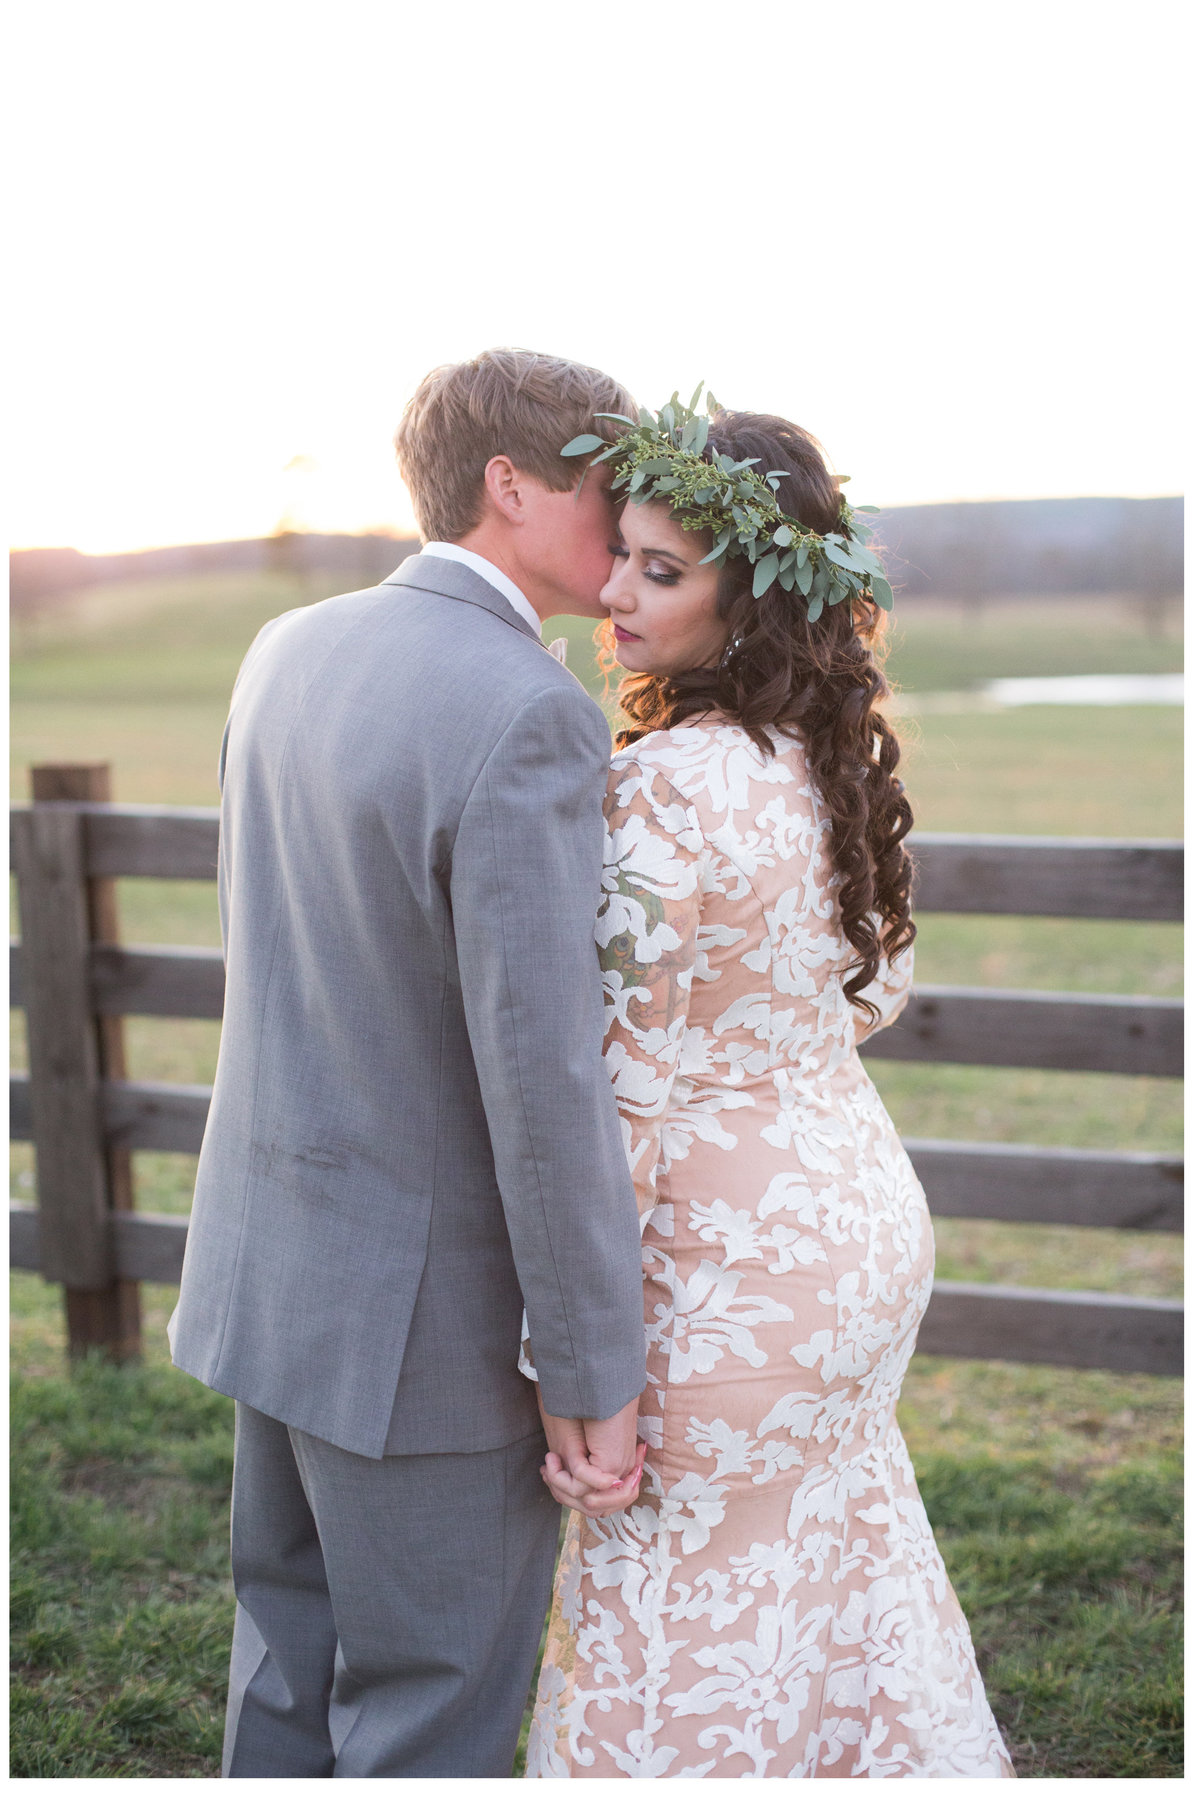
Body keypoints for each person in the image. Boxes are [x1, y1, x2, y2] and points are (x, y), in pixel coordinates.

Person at [168, 349, 648, 1778]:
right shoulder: (527, 711)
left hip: (271, 1273)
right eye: (603, 490)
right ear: (511, 485)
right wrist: (588, 1363)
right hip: (422, 1334)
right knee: (431, 1711)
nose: (623, 529)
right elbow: (542, 1073)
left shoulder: (287, 647)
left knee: (284, 1670)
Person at [523, 397, 1015, 1777]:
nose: (613, 592)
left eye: (661, 571)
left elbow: (610, 1102)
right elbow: (873, 994)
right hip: (857, 1237)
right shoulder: (829, 763)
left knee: (680, 1622)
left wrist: (580, 1368)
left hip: (725, 1284)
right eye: (620, 552)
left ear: (752, 604)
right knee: (834, 1579)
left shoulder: (663, 790)